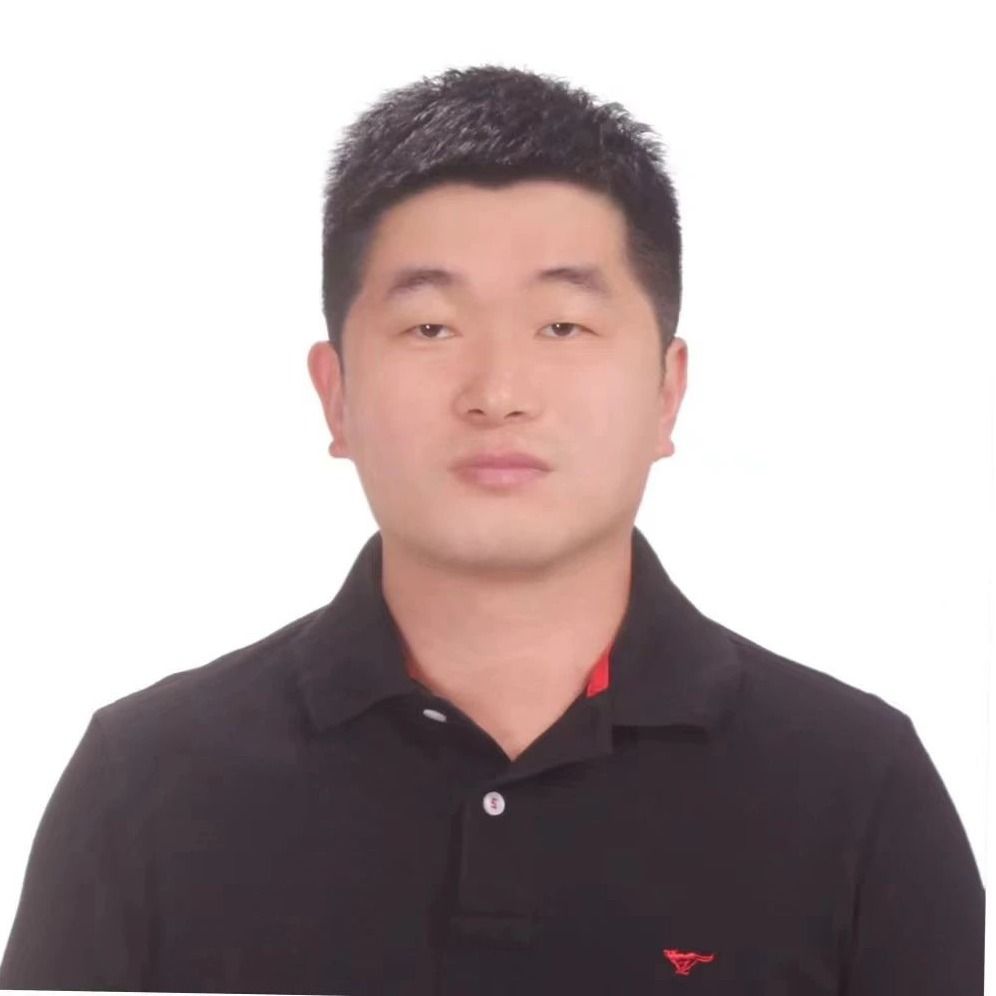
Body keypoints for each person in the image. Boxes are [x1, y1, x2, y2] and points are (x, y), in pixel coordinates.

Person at [0, 65, 984, 995]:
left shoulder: (859, 791)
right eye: (431, 327)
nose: (498, 393)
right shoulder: (144, 786)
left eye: (563, 325)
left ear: (666, 392)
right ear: (336, 396)